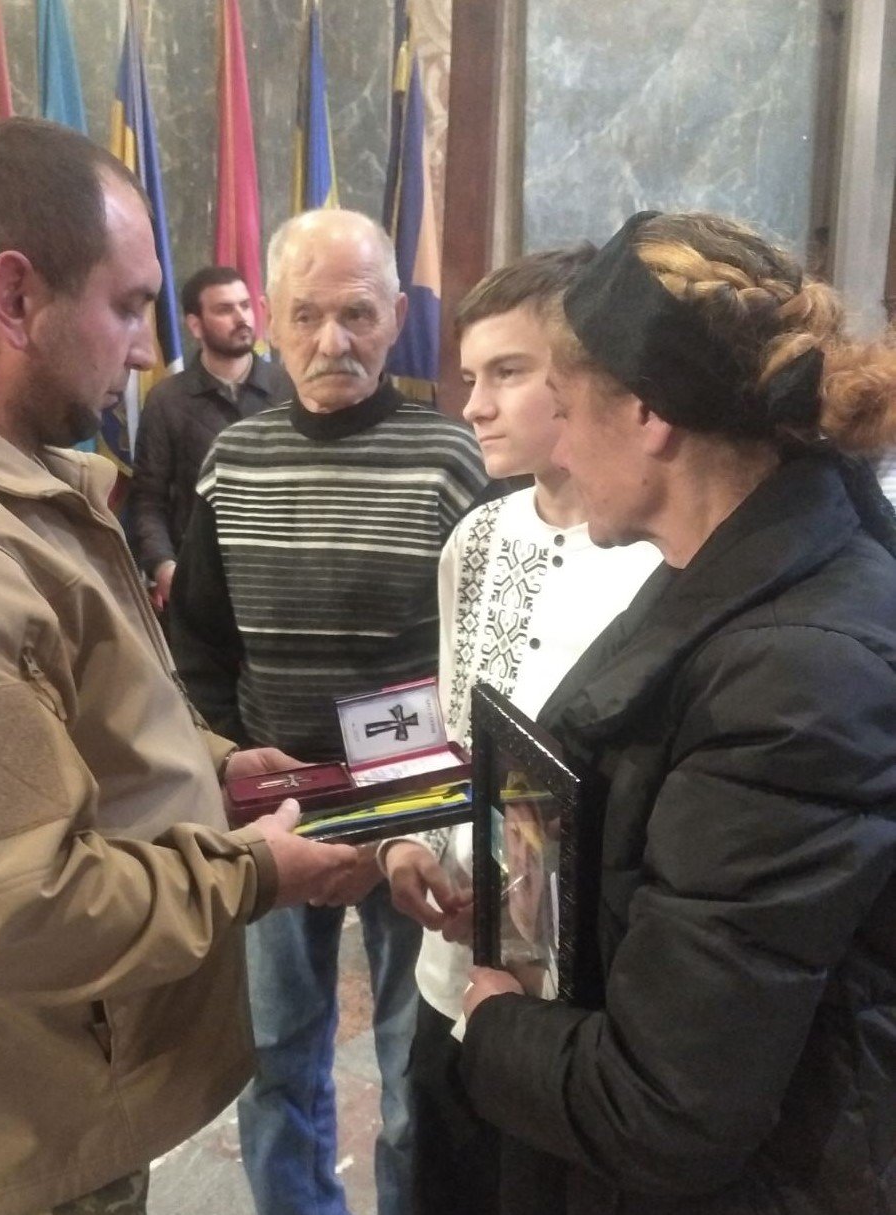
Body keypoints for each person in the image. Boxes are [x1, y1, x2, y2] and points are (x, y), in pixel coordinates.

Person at [0, 118, 358, 1215]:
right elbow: (17, 906)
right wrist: (254, 873)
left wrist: (208, 766)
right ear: (14, 298)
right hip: (19, 1136)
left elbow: (61, 715)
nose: (144, 350)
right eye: (128, 305)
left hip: (49, 1088)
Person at [459, 210, 896, 1214]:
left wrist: (494, 1026)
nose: (554, 444)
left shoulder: (797, 675)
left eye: (560, 406)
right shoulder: (731, 573)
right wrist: (526, 888)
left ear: (648, 412)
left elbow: (667, 1106)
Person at [169, 208, 487, 1215]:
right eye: (306, 316)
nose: (331, 341)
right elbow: (198, 642)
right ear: (270, 319)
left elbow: (479, 650)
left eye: (357, 314)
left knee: (412, 1060)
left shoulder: (453, 461)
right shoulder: (232, 461)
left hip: (417, 804)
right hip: (279, 803)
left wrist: (408, 818)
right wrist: (228, 761)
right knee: (272, 1058)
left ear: (396, 316)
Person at [378, 250, 661, 1214]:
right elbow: (449, 722)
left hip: (575, 1010)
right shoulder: (477, 537)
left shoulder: (657, 557)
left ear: (583, 378)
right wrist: (410, 840)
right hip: (451, 967)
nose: (474, 405)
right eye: (470, 376)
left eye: (507, 372)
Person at [126, 265, 290, 610]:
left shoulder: (290, 390)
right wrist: (165, 569)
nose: (241, 318)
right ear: (195, 325)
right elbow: (148, 501)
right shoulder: (167, 400)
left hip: (282, 586)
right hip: (200, 587)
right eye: (225, 309)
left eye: (245, 305)